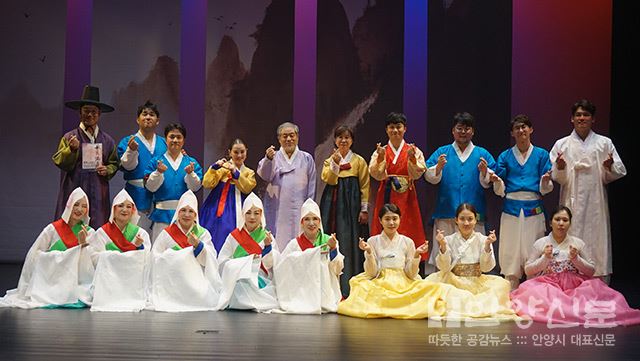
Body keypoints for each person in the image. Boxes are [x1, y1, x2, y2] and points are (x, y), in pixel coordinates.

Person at [511, 206, 640, 326]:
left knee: (595, 302)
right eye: (557, 219)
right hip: (549, 284)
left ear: (570, 223)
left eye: (565, 220)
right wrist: (545, 258)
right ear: (551, 223)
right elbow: (528, 270)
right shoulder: (541, 243)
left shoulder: (577, 243)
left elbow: (591, 270)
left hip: (575, 285)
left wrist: (576, 259)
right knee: (539, 298)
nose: (561, 223)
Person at [550, 99, 626, 283]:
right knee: (571, 231)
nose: (582, 118)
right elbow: (555, 176)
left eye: (586, 115)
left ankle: (599, 281)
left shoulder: (604, 143)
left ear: (593, 119)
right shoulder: (562, 144)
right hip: (572, 198)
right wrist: (560, 167)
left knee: (596, 238)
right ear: (572, 119)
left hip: (595, 201)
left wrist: (609, 167)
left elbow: (619, 170)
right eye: (578, 115)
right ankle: (569, 280)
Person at [338, 203, 446, 319]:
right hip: (380, 280)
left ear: (400, 219)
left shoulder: (407, 242)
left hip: (404, 281)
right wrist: (369, 252)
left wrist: (416, 255)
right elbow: (371, 273)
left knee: (432, 288)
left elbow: (411, 274)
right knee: (360, 286)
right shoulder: (373, 241)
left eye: (395, 218)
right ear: (380, 220)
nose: (391, 223)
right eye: (387, 219)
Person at [424, 112, 496, 274]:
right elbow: (429, 175)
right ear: (453, 131)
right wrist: (439, 168)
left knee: (475, 255)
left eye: (467, 128)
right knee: (443, 255)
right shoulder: (442, 152)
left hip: (473, 215)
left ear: (473, 131)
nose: (463, 132)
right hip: (446, 211)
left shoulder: (482, 154)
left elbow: (490, 181)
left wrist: (485, 172)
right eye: (459, 128)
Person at [0, 188, 95, 309]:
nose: (79, 209)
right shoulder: (52, 229)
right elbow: (35, 254)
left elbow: (91, 263)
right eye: (76, 204)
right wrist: (56, 258)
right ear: (69, 205)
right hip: (52, 279)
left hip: (77, 280)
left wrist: (83, 246)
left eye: (84, 206)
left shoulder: (89, 232)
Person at [490, 114, 553, 290]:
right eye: (517, 128)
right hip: (511, 208)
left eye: (524, 127)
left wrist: (546, 180)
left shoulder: (541, 154)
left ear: (531, 129)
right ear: (512, 133)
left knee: (533, 247)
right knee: (510, 248)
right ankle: (511, 288)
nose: (521, 130)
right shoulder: (505, 156)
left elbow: (545, 185)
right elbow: (500, 183)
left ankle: (534, 289)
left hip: (533, 207)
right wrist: (496, 180)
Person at [424, 203, 518, 320]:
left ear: (475, 220)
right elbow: (444, 267)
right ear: (456, 220)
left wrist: (488, 245)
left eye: (470, 219)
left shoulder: (483, 239)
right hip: (454, 281)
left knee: (503, 284)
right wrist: (442, 245)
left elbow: (486, 268)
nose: (466, 223)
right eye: (462, 219)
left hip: (476, 281)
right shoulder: (448, 239)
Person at [52, 85, 119, 229]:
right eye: (86, 111)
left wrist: (107, 169)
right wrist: (71, 149)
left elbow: (114, 163)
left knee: (97, 229)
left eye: (94, 112)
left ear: (99, 114)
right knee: (71, 228)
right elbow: (60, 162)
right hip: (74, 187)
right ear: (80, 113)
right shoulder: (69, 137)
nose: (90, 115)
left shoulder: (107, 140)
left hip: (99, 192)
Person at [149, 190, 221, 312]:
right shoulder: (167, 233)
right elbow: (155, 257)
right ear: (177, 212)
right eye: (183, 210)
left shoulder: (203, 234)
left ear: (195, 215)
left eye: (191, 211)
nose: (186, 214)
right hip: (172, 280)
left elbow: (210, 259)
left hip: (195, 279)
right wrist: (171, 257)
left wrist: (198, 245)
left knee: (203, 298)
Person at [369, 112, 428, 262]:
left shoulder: (413, 150)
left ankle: (412, 264)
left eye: (398, 127)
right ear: (386, 129)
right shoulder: (380, 151)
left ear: (405, 129)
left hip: (407, 197)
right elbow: (374, 173)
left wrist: (413, 159)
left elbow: (419, 172)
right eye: (391, 127)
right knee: (385, 223)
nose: (395, 130)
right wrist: (381, 158)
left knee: (410, 227)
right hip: (386, 195)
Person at [319, 125, 370, 295]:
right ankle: (329, 286)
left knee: (350, 239)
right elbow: (329, 179)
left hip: (351, 204)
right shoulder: (329, 160)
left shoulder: (359, 161)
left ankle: (351, 284)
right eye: (340, 137)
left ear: (352, 140)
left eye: (347, 137)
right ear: (335, 140)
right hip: (333, 203)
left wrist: (363, 209)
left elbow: (364, 185)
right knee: (332, 236)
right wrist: (334, 162)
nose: (343, 141)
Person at [273, 198, 343, 314]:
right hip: (301, 292)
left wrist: (333, 249)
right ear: (301, 222)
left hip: (324, 294)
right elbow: (281, 268)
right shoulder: (294, 244)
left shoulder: (329, 241)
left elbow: (338, 269)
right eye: (307, 219)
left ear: (319, 221)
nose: (311, 223)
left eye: (315, 219)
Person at [89, 189, 152, 312]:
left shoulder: (140, 233)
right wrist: (125, 257)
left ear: (133, 211)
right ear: (113, 209)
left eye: (129, 207)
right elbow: (95, 258)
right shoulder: (102, 233)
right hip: (109, 282)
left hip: (133, 283)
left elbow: (147, 259)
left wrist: (139, 247)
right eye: (120, 206)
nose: (125, 210)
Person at [257, 122, 316, 250]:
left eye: (291, 135)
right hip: (277, 210)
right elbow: (265, 175)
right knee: (278, 243)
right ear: (279, 139)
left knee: (300, 244)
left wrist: (309, 209)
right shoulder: (273, 157)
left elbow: (311, 187)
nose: (288, 139)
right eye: (284, 136)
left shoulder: (307, 159)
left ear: (297, 137)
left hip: (299, 208)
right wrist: (268, 159)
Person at [217, 193, 279, 312]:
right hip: (237, 280)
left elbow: (273, 267)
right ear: (243, 215)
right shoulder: (233, 237)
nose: (252, 217)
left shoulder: (267, 237)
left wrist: (267, 247)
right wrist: (245, 262)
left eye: (256, 213)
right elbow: (222, 263)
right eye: (248, 213)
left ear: (261, 215)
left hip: (259, 281)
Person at [145, 123, 203, 240]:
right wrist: (158, 172)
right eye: (172, 137)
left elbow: (196, 187)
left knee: (184, 251)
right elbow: (150, 187)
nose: (175, 140)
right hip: (161, 215)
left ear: (183, 140)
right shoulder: (156, 162)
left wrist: (191, 174)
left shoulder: (192, 163)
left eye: (179, 137)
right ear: (166, 139)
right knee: (159, 251)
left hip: (185, 217)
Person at [117, 100, 167, 233]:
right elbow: (127, 166)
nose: (148, 117)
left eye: (152, 114)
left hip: (160, 196)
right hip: (136, 194)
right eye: (144, 114)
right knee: (135, 236)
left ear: (157, 121)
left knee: (157, 238)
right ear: (137, 119)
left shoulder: (164, 143)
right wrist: (131, 150)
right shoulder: (128, 141)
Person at [200, 138, 256, 253]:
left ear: (246, 151)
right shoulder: (222, 168)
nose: (239, 155)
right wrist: (214, 168)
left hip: (240, 209)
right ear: (230, 152)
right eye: (236, 152)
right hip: (217, 209)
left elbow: (247, 187)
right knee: (217, 236)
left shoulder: (249, 172)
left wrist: (235, 173)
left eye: (242, 152)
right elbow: (206, 183)